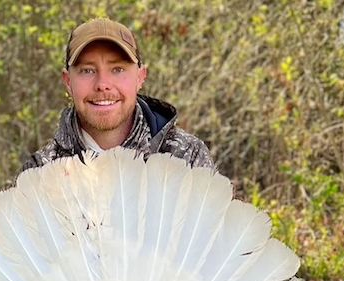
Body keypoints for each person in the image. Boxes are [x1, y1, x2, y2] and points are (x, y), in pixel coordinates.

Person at [19, 17, 214, 174]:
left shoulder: (186, 158)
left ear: (140, 77)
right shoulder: (41, 171)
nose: (103, 84)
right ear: (68, 81)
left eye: (117, 69)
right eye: (87, 70)